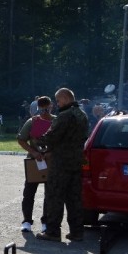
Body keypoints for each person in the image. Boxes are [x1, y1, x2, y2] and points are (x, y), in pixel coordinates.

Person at [35, 88, 89, 242]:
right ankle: (77, 232)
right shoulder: (82, 115)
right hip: (76, 161)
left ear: (65, 98)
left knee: (54, 197)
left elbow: (52, 136)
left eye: (58, 100)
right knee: (74, 198)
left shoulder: (65, 116)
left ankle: (52, 231)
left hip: (61, 162)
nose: (57, 104)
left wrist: (39, 140)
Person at [17, 95, 54, 233]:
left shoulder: (56, 121)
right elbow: (21, 139)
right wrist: (33, 152)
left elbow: (62, 142)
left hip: (50, 161)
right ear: (38, 107)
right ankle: (27, 221)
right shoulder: (32, 122)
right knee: (29, 192)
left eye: (47, 106)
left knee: (49, 194)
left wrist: (50, 153)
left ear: (51, 106)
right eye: (42, 107)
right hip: (34, 161)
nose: (45, 110)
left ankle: (46, 221)